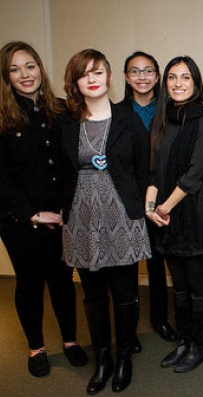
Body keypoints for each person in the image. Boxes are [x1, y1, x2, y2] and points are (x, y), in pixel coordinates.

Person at [59, 49, 151, 394]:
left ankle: (124, 358)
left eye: (98, 72)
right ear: (76, 82)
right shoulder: (66, 122)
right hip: (81, 218)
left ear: (109, 77)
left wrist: (142, 208)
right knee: (93, 295)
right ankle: (103, 360)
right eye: (84, 74)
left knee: (125, 294)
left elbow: (144, 169)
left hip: (121, 215)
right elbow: (58, 170)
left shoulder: (129, 119)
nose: (92, 79)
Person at [0, 41, 87, 378]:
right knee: (30, 284)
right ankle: (36, 348)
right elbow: (3, 179)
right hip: (21, 221)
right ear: (6, 77)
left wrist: (67, 208)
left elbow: (71, 165)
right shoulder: (3, 118)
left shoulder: (62, 110)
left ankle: (70, 341)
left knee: (63, 280)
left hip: (61, 216)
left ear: (40, 68)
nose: (25, 74)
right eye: (15, 69)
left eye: (30, 66)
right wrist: (33, 215)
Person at [147, 56, 203, 373]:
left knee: (196, 284)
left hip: (192, 213)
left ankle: (200, 345)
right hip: (164, 216)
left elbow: (196, 172)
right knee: (177, 284)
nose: (178, 83)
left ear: (196, 82)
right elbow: (152, 169)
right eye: (172, 77)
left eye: (185, 77)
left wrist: (164, 206)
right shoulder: (161, 119)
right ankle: (185, 341)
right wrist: (151, 208)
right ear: (165, 83)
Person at [119, 51, 177, 345]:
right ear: (126, 77)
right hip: (126, 200)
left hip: (162, 199)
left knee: (157, 262)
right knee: (127, 267)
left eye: (148, 71)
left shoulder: (170, 110)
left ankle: (159, 319)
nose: (142, 77)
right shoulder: (115, 113)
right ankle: (128, 329)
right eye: (135, 71)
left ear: (157, 76)